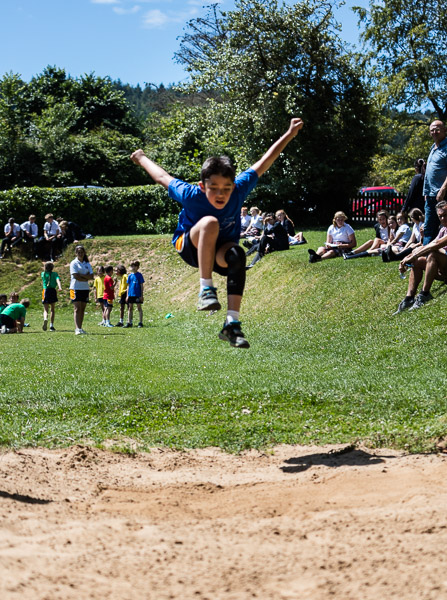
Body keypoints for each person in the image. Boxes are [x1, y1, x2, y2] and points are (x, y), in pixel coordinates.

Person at [131, 117, 304, 348]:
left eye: (226, 188)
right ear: (203, 186)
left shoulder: (239, 189)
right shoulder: (191, 194)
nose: (221, 194)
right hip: (190, 246)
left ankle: (232, 324)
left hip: (220, 250)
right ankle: (205, 289)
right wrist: (141, 158)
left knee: (238, 255)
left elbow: (265, 161)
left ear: (234, 185)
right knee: (210, 222)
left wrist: (290, 134)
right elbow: (162, 177)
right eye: (214, 188)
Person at [394, 200, 447, 313]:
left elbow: (436, 245)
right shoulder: (443, 229)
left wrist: (415, 254)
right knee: (417, 261)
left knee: (433, 254)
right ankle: (409, 298)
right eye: (440, 216)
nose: (442, 219)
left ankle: (425, 294)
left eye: (445, 215)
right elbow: (429, 245)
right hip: (442, 269)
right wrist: (408, 258)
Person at [422, 120, 447, 245]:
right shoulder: (433, 148)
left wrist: (442, 190)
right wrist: (426, 192)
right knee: (429, 229)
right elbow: (428, 174)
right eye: (432, 130)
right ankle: (426, 260)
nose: (434, 132)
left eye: (437, 129)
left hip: (443, 195)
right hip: (431, 196)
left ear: (444, 130)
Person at [70, 245, 94, 335]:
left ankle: (80, 327)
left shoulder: (87, 264)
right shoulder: (74, 263)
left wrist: (82, 276)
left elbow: (91, 276)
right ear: (76, 253)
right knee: (77, 308)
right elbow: (76, 276)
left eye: (82, 252)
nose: (80, 254)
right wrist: (85, 277)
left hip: (84, 288)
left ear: (84, 253)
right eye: (78, 252)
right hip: (75, 288)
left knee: (83, 308)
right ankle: (77, 328)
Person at [41, 261, 62, 332]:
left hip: (46, 291)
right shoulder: (55, 274)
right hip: (53, 291)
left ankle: (45, 318)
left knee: (45, 309)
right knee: (52, 309)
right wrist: (59, 287)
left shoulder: (43, 274)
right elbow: (58, 280)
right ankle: (51, 325)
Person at [125, 260, 144, 328]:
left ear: (138, 267)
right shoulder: (130, 276)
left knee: (139, 308)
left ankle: (140, 322)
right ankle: (129, 322)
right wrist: (127, 295)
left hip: (137, 294)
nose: (133, 267)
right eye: (132, 266)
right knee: (130, 308)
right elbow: (128, 286)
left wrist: (141, 295)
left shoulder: (139, 275)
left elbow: (141, 285)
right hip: (130, 294)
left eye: (135, 266)